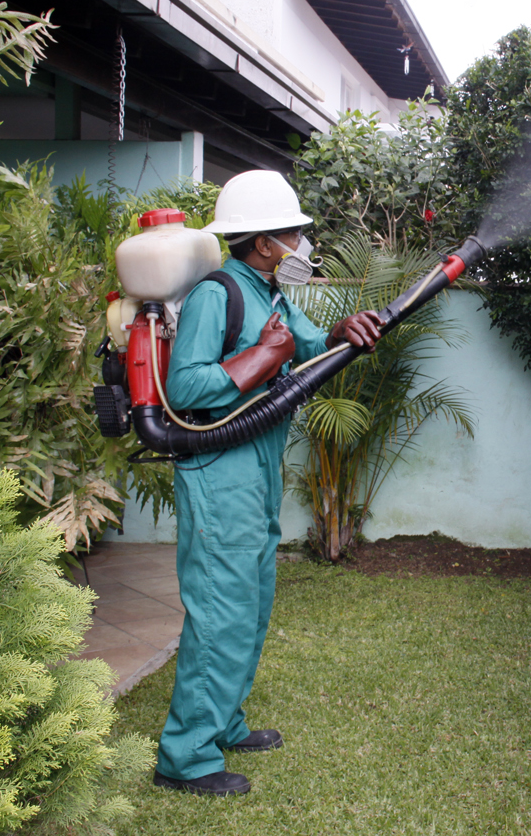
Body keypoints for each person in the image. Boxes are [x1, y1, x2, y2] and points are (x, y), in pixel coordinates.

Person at [152, 170, 382, 797]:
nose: (303, 245)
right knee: (219, 612)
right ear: (262, 242)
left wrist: (343, 332)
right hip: (217, 472)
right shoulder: (217, 295)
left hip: (254, 472)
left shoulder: (268, 293)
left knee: (249, 606)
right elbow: (186, 388)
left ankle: (224, 721)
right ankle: (186, 756)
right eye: (294, 234)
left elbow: (307, 348)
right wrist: (258, 360)